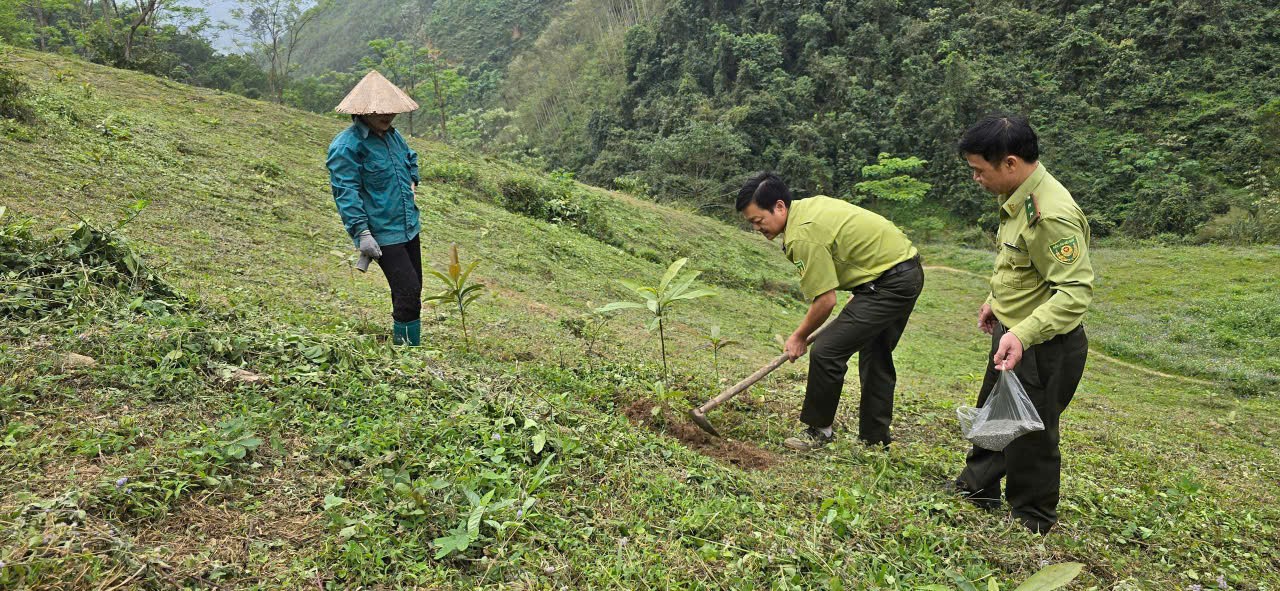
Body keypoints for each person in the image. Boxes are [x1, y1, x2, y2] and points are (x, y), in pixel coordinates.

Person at [949, 114, 1094, 534]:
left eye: (980, 170)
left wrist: (1023, 334)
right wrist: (996, 303)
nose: (976, 178)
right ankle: (978, 488)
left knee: (1031, 433)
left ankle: (1032, 516)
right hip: (1013, 334)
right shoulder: (1017, 198)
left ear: (1010, 163)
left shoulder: (1048, 215)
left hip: (1041, 344)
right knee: (995, 412)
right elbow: (1021, 266)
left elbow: (1074, 293)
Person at [737, 172, 924, 451]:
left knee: (826, 350)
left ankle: (819, 431)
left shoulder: (802, 235)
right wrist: (864, 287)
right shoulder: (806, 207)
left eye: (758, 221)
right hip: (901, 271)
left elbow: (825, 301)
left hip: (889, 283)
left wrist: (799, 336)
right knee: (876, 355)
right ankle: (875, 439)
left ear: (778, 206)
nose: (757, 228)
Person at [326, 70, 424, 346]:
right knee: (408, 290)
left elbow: (410, 157)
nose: (388, 115)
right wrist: (362, 233)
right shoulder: (347, 146)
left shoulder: (392, 136)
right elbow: (346, 193)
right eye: (380, 111)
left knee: (412, 290)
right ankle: (407, 353)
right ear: (362, 111)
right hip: (381, 233)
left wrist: (412, 180)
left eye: (391, 111)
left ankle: (405, 344)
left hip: (408, 226)